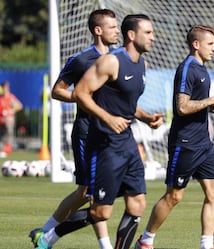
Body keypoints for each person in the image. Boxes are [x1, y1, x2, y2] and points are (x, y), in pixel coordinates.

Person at [34, 14, 164, 249]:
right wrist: (107, 117)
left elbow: (125, 103)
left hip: (127, 141)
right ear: (132, 35)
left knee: (137, 205)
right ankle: (48, 237)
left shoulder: (142, 65)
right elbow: (81, 93)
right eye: (148, 32)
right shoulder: (110, 61)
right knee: (100, 210)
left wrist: (146, 118)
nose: (153, 37)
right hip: (103, 143)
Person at [29, 9, 120, 249]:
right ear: (98, 31)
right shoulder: (81, 60)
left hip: (110, 134)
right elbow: (57, 91)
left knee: (85, 193)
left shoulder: (119, 58)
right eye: (112, 27)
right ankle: (105, 246)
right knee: (92, 193)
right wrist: (82, 98)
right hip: (87, 132)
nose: (117, 30)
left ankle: (45, 231)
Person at [135, 25, 214, 249]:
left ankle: (207, 244)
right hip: (184, 143)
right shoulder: (187, 68)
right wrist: (211, 100)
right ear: (196, 45)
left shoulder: (203, 69)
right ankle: (146, 240)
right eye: (210, 44)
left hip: (204, 144)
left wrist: (209, 107)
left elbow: (198, 104)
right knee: (173, 196)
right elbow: (182, 108)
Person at [0, 80, 23, 157]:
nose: (6, 88)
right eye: (4, 87)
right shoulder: (1, 98)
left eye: (7, 87)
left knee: (9, 135)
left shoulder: (10, 97)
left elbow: (19, 106)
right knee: (2, 136)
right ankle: (3, 150)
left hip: (9, 120)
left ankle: (7, 150)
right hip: (1, 120)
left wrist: (11, 111)